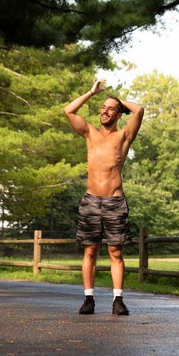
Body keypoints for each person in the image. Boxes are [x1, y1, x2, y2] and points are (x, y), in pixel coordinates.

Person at [63, 78, 144, 315]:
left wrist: (120, 101)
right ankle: (88, 298)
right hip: (90, 201)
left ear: (119, 114)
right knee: (90, 251)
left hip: (115, 201)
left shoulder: (125, 137)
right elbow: (68, 110)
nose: (104, 112)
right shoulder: (89, 133)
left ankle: (118, 300)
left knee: (115, 253)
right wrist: (91, 92)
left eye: (110, 109)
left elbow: (139, 109)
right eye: (103, 108)